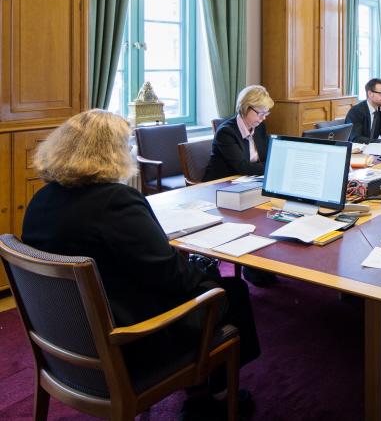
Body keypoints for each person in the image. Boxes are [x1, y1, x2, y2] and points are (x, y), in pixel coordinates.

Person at [22, 109, 260, 406]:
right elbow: (173, 277)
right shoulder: (115, 201)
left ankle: (206, 384)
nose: (131, 151)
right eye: (127, 144)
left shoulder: (40, 199)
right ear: (113, 152)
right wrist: (207, 274)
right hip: (128, 340)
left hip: (67, 337)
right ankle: (218, 396)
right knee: (231, 291)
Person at [203, 86, 278, 288]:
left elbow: (266, 155)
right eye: (260, 113)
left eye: (266, 113)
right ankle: (253, 265)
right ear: (245, 108)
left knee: (272, 212)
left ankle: (260, 263)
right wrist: (274, 166)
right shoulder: (226, 131)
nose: (263, 118)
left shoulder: (259, 127)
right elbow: (242, 166)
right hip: (220, 188)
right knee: (258, 214)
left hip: (246, 183)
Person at [345, 78, 381, 144]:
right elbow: (356, 139)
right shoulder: (356, 111)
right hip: (357, 150)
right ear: (370, 93)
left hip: (373, 149)